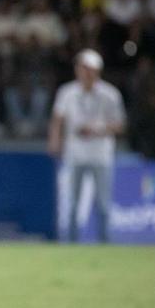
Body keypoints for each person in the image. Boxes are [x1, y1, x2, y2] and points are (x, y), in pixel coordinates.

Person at [48, 49, 126, 243]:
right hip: (75, 154)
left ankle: (104, 242)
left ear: (97, 71)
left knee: (103, 203)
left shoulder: (110, 94)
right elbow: (57, 119)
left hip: (101, 154)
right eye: (82, 68)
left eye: (89, 69)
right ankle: (72, 244)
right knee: (72, 203)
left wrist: (98, 128)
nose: (85, 73)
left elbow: (120, 125)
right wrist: (55, 140)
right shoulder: (67, 92)